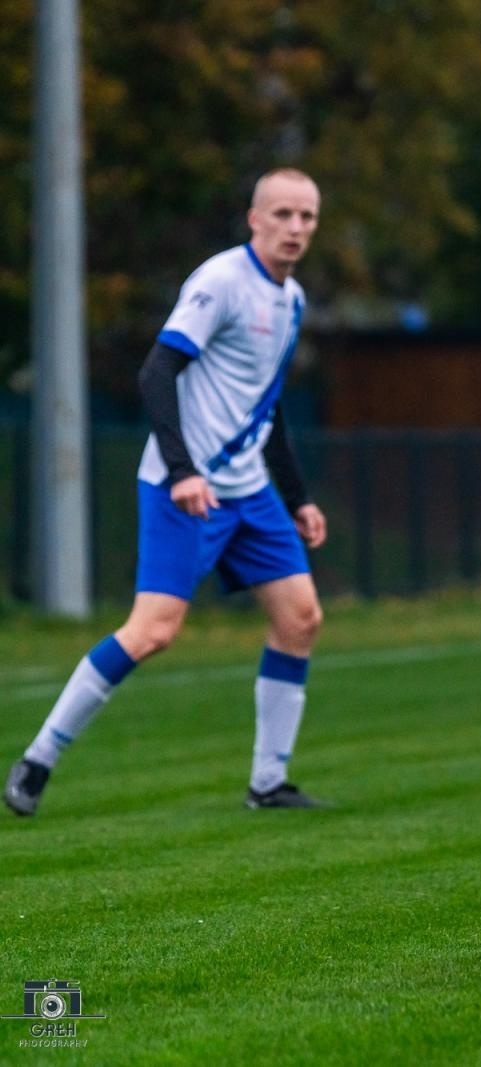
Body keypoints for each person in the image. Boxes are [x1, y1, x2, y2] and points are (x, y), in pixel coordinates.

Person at [5, 168, 328, 818]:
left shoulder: (291, 300)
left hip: (250, 491)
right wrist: (183, 470)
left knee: (301, 617)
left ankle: (268, 782)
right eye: (283, 214)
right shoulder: (221, 281)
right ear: (254, 218)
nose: (295, 228)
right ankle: (37, 759)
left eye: (307, 217)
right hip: (185, 487)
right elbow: (157, 372)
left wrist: (297, 497)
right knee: (153, 630)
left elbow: (266, 406)